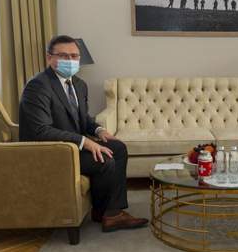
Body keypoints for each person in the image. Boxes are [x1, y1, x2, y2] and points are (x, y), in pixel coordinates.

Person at [19, 35, 149, 232]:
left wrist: (99, 130)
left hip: (71, 146)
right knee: (105, 160)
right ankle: (108, 213)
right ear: (49, 58)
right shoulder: (38, 86)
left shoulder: (79, 84)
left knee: (118, 148)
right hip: (51, 152)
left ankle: (110, 211)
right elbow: (41, 130)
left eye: (74, 56)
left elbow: (83, 118)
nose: (70, 60)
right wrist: (85, 142)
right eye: (64, 56)